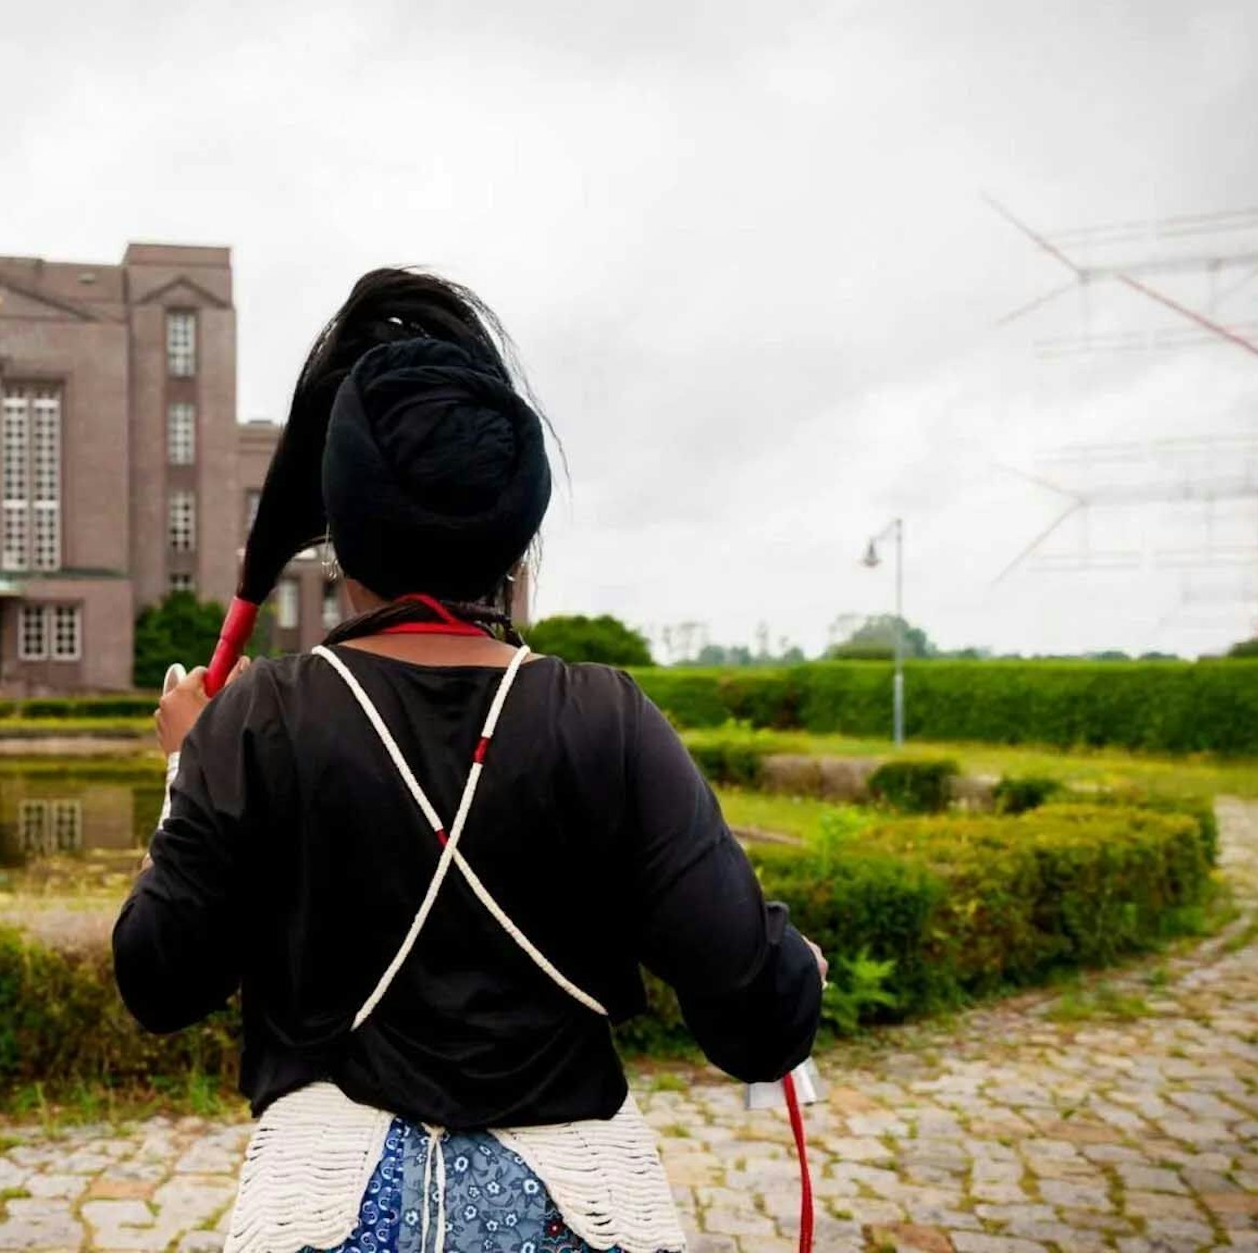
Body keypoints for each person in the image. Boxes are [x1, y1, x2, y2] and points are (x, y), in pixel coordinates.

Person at [114, 269, 825, 1253]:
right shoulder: (606, 716)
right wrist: (793, 969)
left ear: (342, 525)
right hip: (575, 1209)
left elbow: (158, 979)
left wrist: (187, 763)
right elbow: (754, 1016)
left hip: (322, 1206)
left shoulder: (254, 717)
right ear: (511, 527)